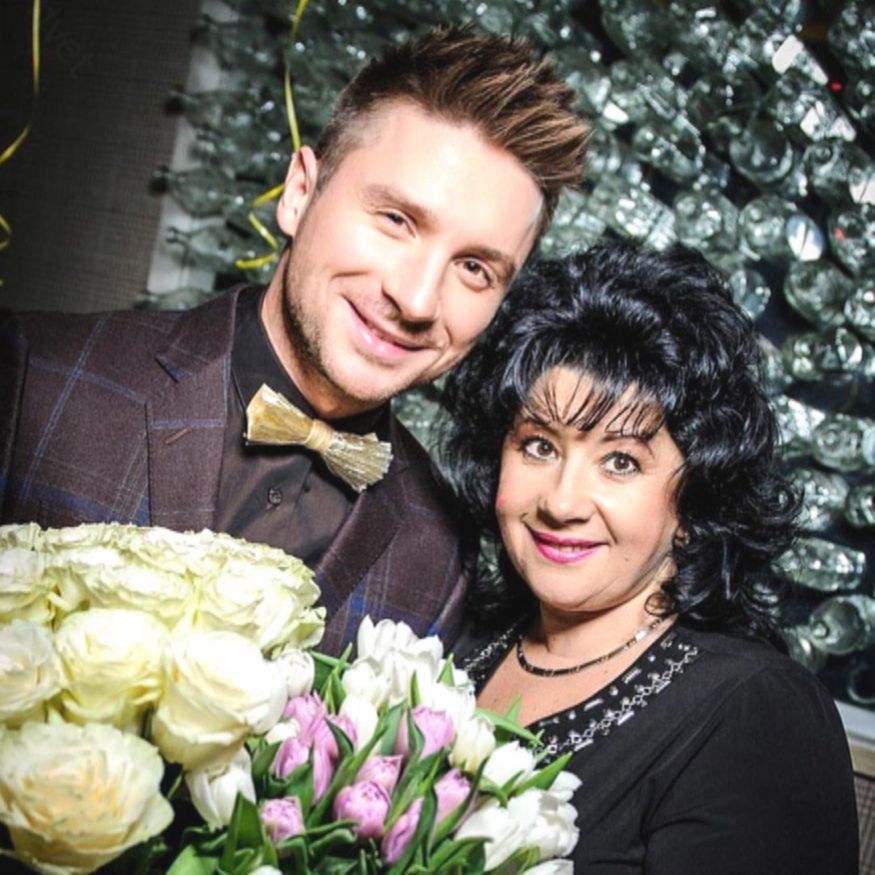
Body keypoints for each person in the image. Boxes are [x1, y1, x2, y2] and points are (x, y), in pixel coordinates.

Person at [0, 27, 589, 654]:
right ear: (300, 193)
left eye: (474, 268)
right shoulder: (30, 376)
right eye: (396, 220)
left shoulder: (442, 560)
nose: (417, 300)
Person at [442, 242, 859, 873]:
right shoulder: (456, 642)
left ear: (695, 498)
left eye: (620, 461)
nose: (561, 501)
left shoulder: (755, 714)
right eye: (539, 446)